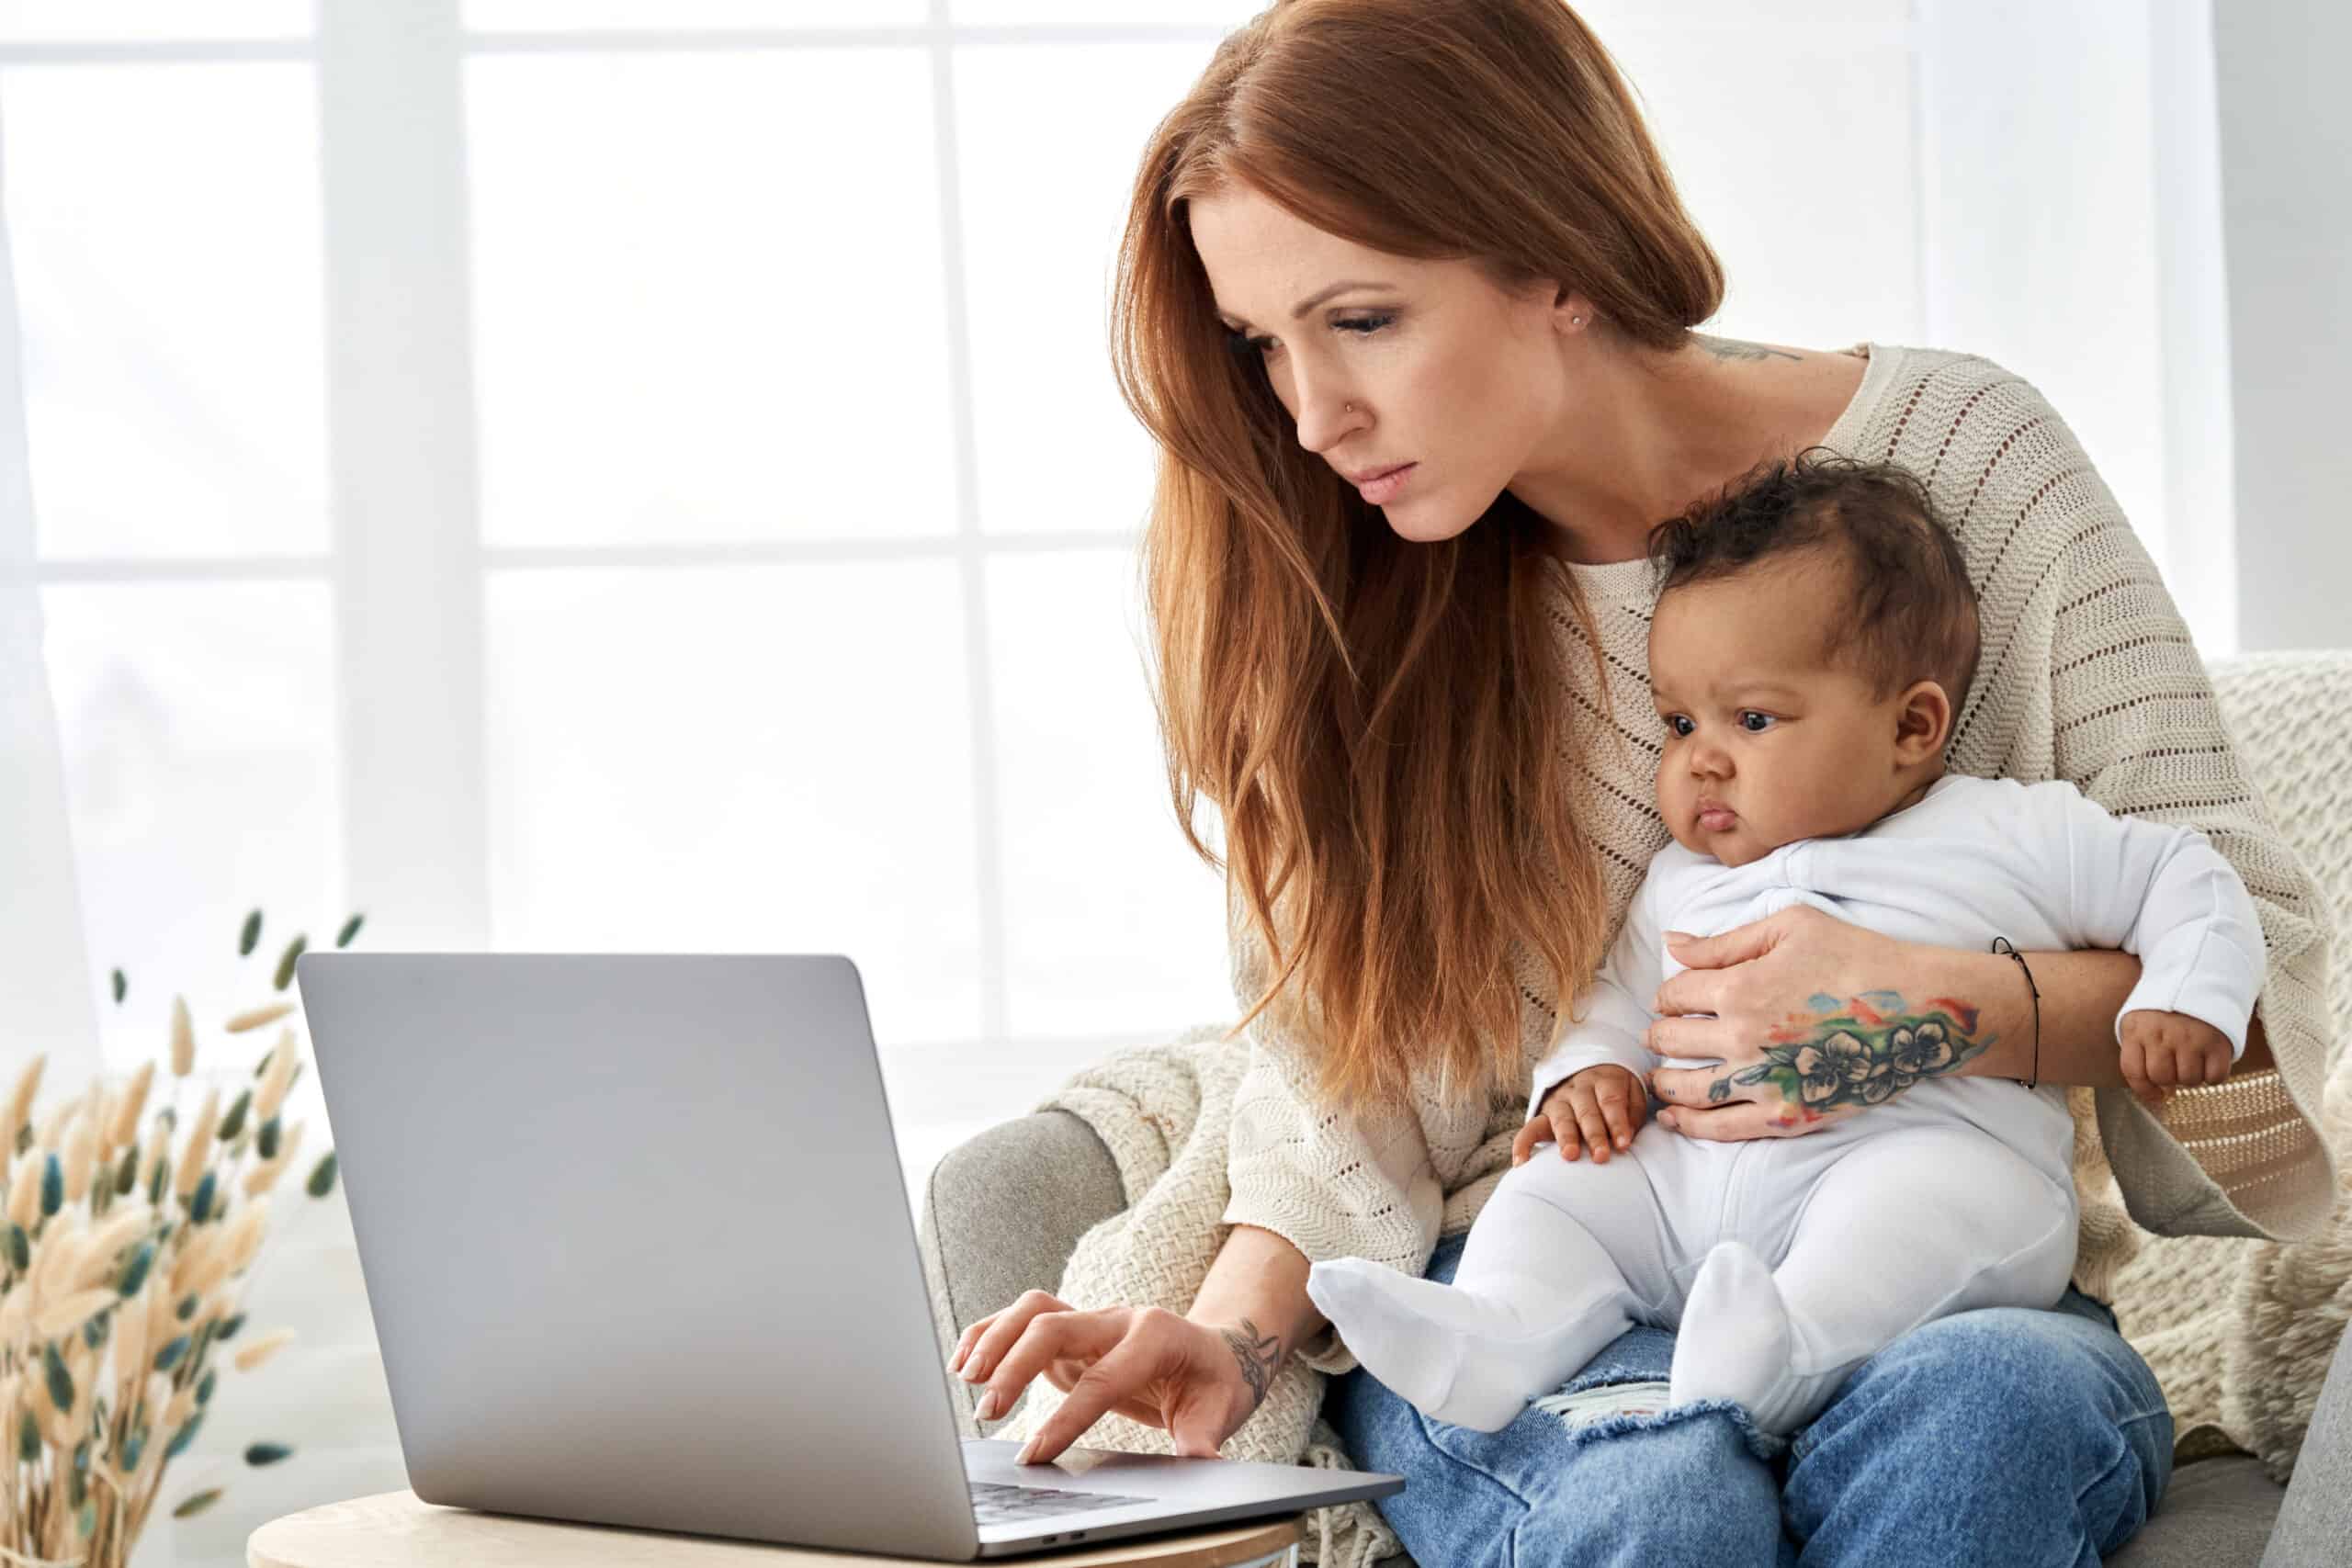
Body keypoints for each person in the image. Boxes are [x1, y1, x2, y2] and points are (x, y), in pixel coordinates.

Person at [944, 1, 2335, 1562]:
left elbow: (2259, 965)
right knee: (1653, 1495)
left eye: (1363, 321)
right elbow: (1348, 1079)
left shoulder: (1972, 465)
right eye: (1262, 343)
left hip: (1930, 1259)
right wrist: (1236, 1338)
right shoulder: (1343, 602)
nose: (1310, 415)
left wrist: (1945, 999)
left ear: (1555, 256)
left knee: (1992, 1415)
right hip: (1543, 1277)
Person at [1305, 452, 2267, 1439]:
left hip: (1905, 1156)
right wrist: (1588, 1074)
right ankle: (1499, 1332)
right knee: (1559, 1187)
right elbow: (1621, 995)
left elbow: (2185, 877)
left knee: (1924, 1206)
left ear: (1912, 726)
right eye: (1679, 721)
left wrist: (2187, 994)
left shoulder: (2010, 832)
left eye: (1752, 718)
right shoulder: (1685, 879)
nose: (1699, 757)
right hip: (1682, 1186)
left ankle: (1790, 1349)